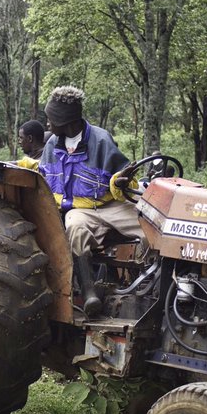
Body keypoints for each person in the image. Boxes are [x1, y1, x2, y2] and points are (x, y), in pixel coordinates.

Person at [38, 85, 140, 317]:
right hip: (80, 211)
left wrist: (120, 182)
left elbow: (126, 181)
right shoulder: (52, 146)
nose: (47, 125)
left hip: (110, 205)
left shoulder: (102, 140)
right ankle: (89, 291)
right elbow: (45, 179)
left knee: (150, 227)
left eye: (50, 120)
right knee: (74, 226)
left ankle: (149, 285)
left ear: (65, 121)